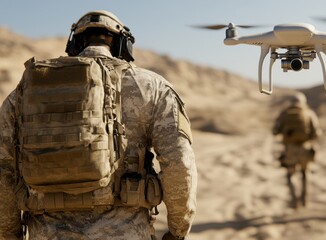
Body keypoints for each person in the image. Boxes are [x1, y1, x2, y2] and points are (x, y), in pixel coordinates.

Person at [0, 10, 197, 240]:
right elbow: (179, 163)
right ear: (124, 45)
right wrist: (177, 231)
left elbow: (4, 172)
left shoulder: (25, 92)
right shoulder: (153, 88)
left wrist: (9, 234)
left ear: (75, 44)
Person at [272, 92, 321, 209]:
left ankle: (294, 200)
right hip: (305, 148)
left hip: (289, 149)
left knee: (290, 174)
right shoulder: (309, 113)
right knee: (305, 173)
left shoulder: (285, 114)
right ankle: (304, 199)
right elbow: (317, 133)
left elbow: (275, 131)